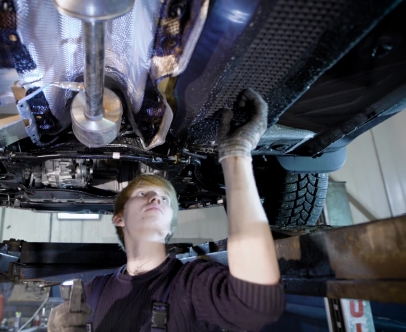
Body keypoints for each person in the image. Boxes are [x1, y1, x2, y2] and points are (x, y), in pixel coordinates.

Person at [48, 89, 285, 331]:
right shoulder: (94, 291)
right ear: (119, 218)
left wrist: (237, 153)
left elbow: (255, 306)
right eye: (142, 194)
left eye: (165, 199)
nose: (155, 199)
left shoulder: (191, 284)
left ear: (171, 224)